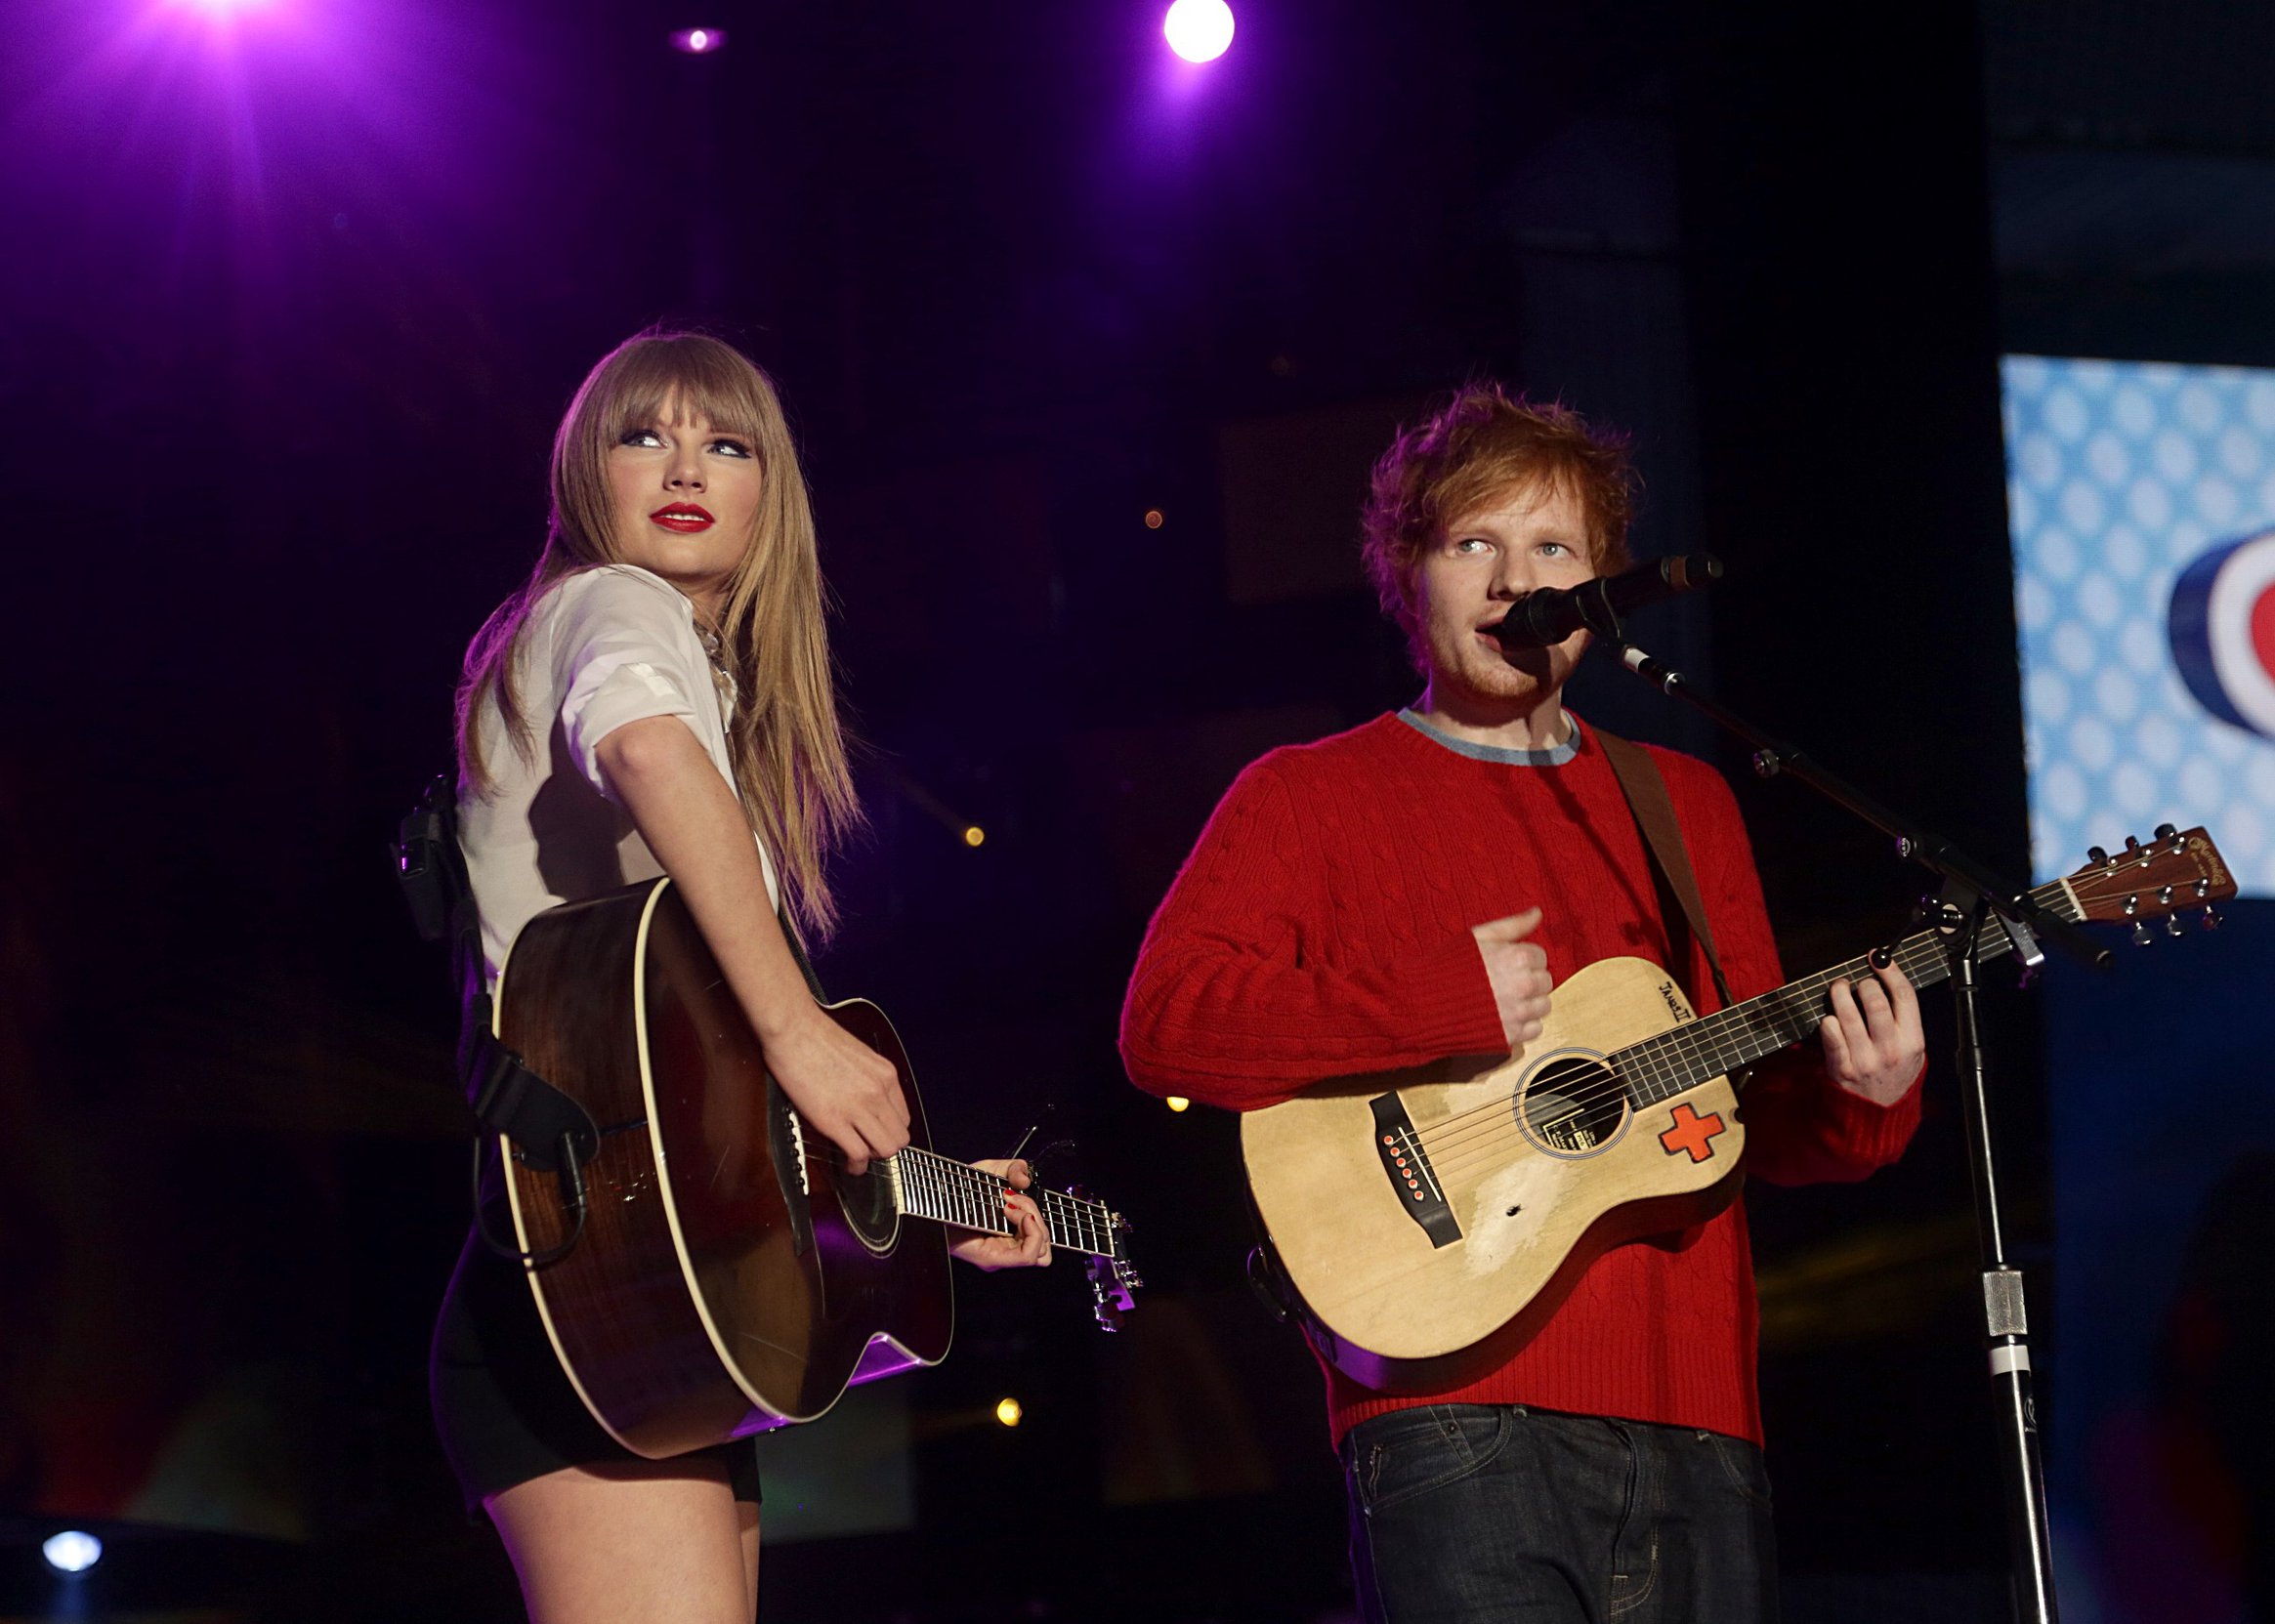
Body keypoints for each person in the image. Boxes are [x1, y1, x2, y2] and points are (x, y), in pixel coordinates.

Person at [1118, 385, 1927, 1622]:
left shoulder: (1685, 802)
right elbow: (1168, 1022)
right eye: (1473, 545)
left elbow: (1744, 1107)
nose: (1513, 583)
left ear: (1600, 587)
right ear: (1408, 573)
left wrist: (1862, 1102)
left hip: (1698, 1411)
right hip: (1449, 1408)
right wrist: (1436, 1001)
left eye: (1551, 549)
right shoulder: (1305, 796)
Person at [432, 329, 1052, 1624]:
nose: (683, 465)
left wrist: (922, 1196)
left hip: (640, 1302)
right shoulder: (615, 602)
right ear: (581, 469)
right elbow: (652, 757)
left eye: (727, 442)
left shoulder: (661, 654)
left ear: (773, 490)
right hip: (584, 1299)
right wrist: (797, 1026)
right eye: (641, 433)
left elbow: (703, 1127)